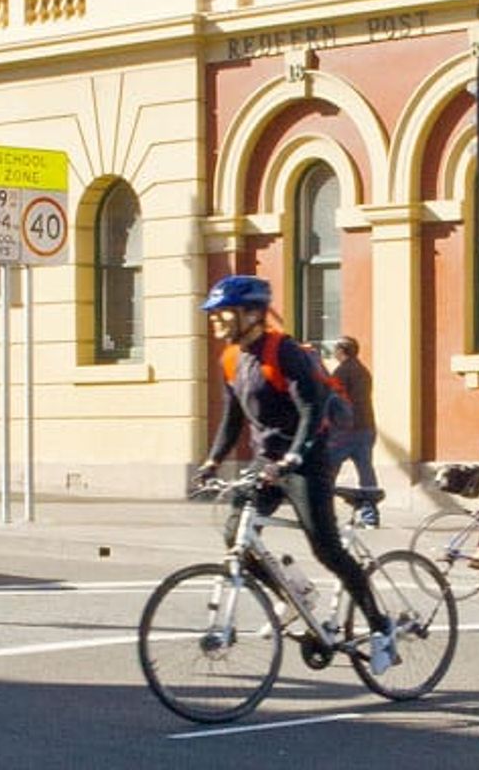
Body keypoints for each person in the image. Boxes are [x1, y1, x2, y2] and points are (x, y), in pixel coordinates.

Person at [194, 275, 398, 674]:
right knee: (235, 534)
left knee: (327, 549)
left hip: (306, 460)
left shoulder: (283, 352)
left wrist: (291, 458)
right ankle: (292, 596)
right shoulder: (232, 360)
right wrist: (211, 462)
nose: (216, 321)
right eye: (214, 314)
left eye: (222, 313)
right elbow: (232, 419)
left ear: (251, 314)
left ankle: (381, 626)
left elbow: (312, 410)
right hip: (265, 461)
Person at [328, 337, 379, 526]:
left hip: (346, 431)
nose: (333, 353)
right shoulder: (364, 371)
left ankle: (326, 515)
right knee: (366, 472)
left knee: (328, 472)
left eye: (335, 349)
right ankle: (370, 517)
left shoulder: (341, 372)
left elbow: (334, 402)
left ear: (342, 351)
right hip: (367, 427)